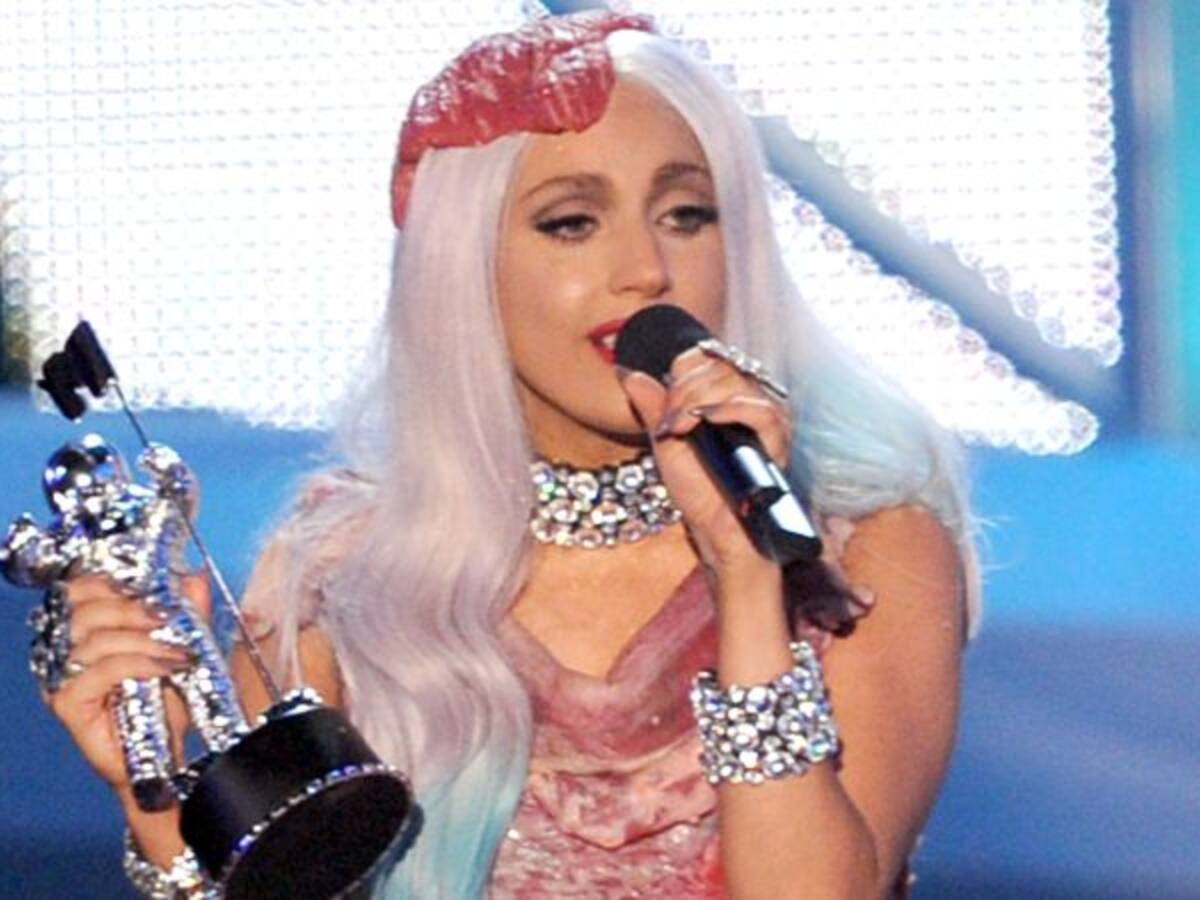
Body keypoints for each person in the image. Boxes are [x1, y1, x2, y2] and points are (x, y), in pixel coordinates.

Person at [42, 11, 979, 899]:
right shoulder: (344, 576)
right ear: (463, 265)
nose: (646, 271)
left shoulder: (859, 552)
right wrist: (159, 797)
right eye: (572, 223)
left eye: (687, 213)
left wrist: (745, 579)